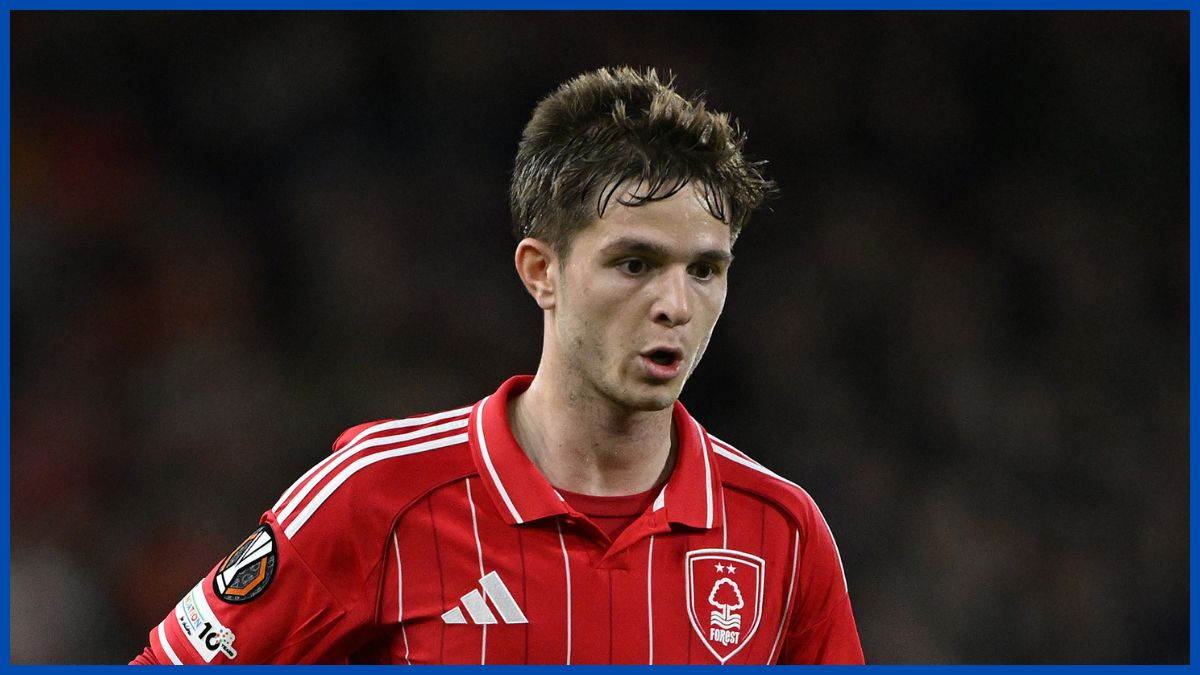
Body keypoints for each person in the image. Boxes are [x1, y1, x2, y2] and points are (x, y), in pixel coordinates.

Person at [131, 66, 864, 665]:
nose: (675, 303)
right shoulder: (376, 495)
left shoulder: (783, 532)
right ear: (541, 271)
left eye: (705, 270)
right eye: (634, 262)